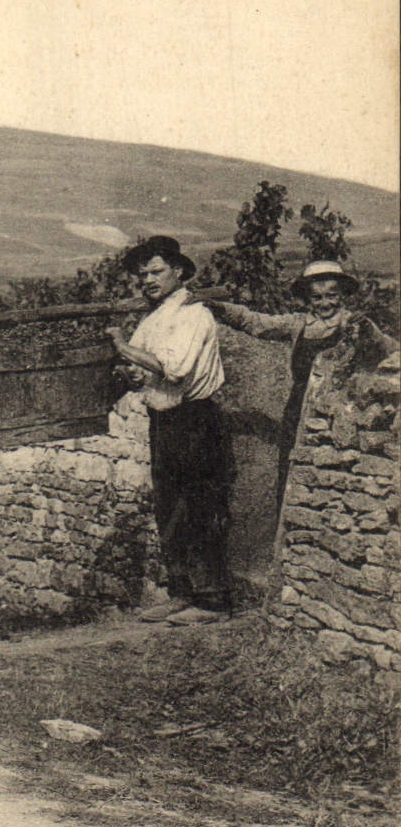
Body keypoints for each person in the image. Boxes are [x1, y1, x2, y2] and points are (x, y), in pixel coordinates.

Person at [107, 236, 232, 626]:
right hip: (164, 420)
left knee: (198, 506)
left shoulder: (194, 313)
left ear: (179, 271)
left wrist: (120, 346)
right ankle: (182, 593)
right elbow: (143, 370)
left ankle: (213, 601)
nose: (147, 280)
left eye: (156, 271)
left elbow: (174, 369)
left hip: (196, 419)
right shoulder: (155, 316)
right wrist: (128, 370)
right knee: (170, 508)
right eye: (142, 274)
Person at [208, 259, 397, 511]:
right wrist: (218, 308)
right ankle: (290, 536)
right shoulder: (299, 323)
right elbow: (256, 322)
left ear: (342, 295)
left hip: (336, 411)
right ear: (308, 300)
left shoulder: (355, 323)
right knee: (292, 468)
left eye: (332, 296)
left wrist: (370, 335)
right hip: (298, 406)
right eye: (317, 298)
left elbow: (390, 351)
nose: (325, 303)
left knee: (329, 472)